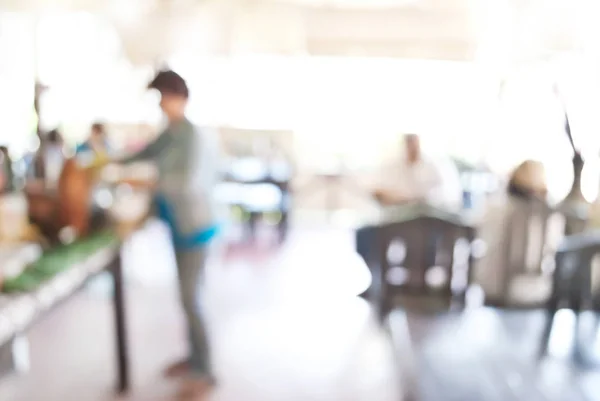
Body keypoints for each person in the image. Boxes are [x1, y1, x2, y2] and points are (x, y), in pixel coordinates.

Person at [120, 70, 221, 397]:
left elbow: (185, 182)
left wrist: (146, 182)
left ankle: (205, 369)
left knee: (192, 298)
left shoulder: (192, 135)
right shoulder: (172, 132)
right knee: (185, 297)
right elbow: (146, 152)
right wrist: (110, 161)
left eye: (163, 97)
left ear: (178, 97)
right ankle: (193, 358)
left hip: (196, 225)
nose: (161, 105)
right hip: (178, 225)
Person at [474, 160, 564, 306]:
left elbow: (481, 236)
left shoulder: (496, 207)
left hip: (494, 290)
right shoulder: (553, 216)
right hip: (539, 292)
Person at [373, 134, 462, 210]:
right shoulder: (393, 164)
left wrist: (418, 200)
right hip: (401, 216)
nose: (410, 146)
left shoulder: (437, 162)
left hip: (434, 216)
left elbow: (449, 197)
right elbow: (380, 191)